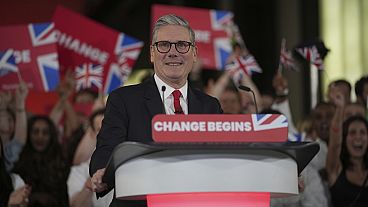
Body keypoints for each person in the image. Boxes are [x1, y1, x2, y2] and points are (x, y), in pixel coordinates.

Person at [89, 14, 223, 207]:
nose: (173, 52)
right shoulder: (124, 99)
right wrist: (102, 172)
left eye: (182, 45)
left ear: (194, 54)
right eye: (164, 45)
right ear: (152, 54)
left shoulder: (210, 106)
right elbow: (107, 148)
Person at [327, 91, 368, 207]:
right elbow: (335, 144)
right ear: (344, 139)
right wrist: (340, 109)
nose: (358, 137)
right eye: (352, 133)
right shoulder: (336, 169)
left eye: (363, 132)